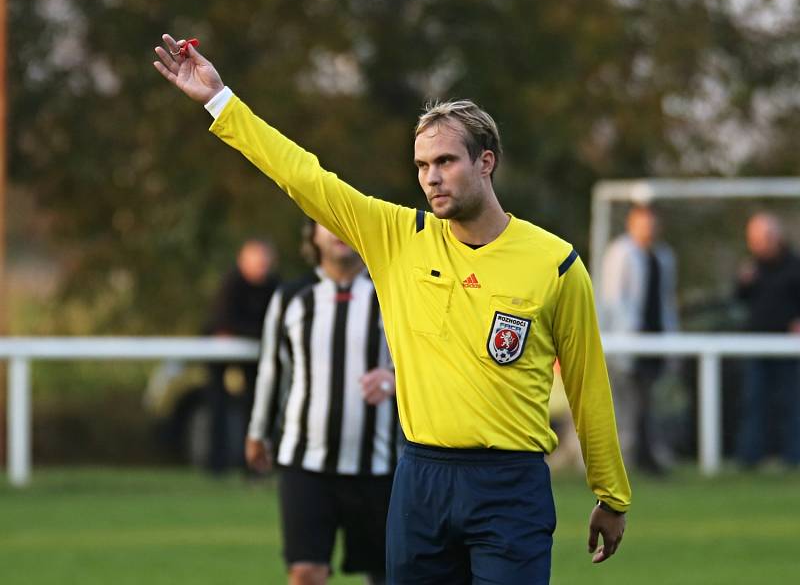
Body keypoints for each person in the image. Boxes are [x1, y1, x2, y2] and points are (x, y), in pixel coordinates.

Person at [154, 35, 630, 583]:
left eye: (446, 161)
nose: (431, 177)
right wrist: (220, 101)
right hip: (419, 480)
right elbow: (303, 176)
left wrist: (611, 495)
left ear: (487, 162)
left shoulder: (555, 263)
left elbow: (589, 387)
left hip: (509, 484)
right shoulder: (398, 237)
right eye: (423, 164)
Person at [245, 219, 400, 585]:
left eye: (346, 222)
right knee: (305, 572)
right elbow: (271, 369)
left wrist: (394, 380)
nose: (337, 231)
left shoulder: (392, 295)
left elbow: (426, 361)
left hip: (380, 464)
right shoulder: (290, 297)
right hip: (306, 461)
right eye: (326, 222)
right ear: (312, 235)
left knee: (388, 574)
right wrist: (257, 432)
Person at [599, 205, 680, 474]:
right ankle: (626, 460)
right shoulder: (621, 254)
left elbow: (666, 301)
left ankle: (645, 457)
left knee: (646, 402)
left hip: (654, 343)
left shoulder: (663, 257)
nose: (648, 230)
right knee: (627, 405)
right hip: (625, 345)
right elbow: (612, 299)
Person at [206, 238, 280, 474]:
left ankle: (254, 465)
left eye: (264, 262)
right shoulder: (231, 284)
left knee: (257, 403)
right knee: (217, 403)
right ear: (242, 261)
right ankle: (217, 465)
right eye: (256, 261)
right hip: (220, 355)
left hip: (255, 355)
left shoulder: (274, 286)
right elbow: (224, 322)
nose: (261, 267)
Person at [735, 212, 800, 469]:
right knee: (754, 402)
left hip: (788, 348)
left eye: (764, 237)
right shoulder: (752, 268)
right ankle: (750, 457)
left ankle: (794, 457)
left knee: (791, 402)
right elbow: (739, 297)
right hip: (756, 345)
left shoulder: (795, 265)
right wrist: (743, 282)